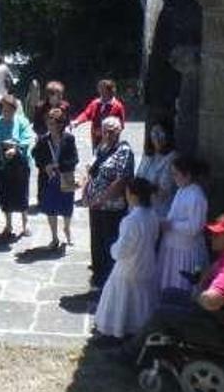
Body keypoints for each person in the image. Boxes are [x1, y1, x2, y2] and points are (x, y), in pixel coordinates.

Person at [122, 212, 224, 359]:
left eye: (218, 235)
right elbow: (217, 266)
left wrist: (198, 294)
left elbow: (211, 301)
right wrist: (206, 276)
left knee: (163, 314)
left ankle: (129, 353)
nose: (211, 237)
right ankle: (150, 345)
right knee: (170, 293)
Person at [93, 179, 160, 340]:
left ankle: (117, 330)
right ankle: (139, 328)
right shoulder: (152, 215)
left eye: (127, 192)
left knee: (121, 300)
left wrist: (112, 249)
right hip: (146, 263)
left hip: (129, 268)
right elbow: (155, 237)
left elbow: (122, 250)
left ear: (134, 196)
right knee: (141, 301)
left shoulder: (131, 220)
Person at [83, 116, 135, 288]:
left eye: (113, 130)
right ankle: (98, 276)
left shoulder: (124, 151)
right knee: (97, 242)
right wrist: (86, 192)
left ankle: (110, 281)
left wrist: (100, 199)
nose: (109, 133)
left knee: (110, 243)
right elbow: (91, 171)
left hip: (112, 207)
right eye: (106, 130)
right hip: (96, 206)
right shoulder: (101, 147)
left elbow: (121, 180)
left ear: (120, 131)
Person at [156, 156, 209, 294]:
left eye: (176, 174)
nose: (173, 178)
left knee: (181, 286)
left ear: (188, 175)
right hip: (173, 248)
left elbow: (195, 227)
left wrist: (171, 225)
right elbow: (175, 215)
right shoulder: (181, 191)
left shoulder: (197, 196)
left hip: (185, 253)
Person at [32, 107, 79, 249]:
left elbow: (74, 159)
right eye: (48, 123)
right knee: (50, 207)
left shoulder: (69, 139)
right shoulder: (43, 140)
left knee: (66, 207)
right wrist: (45, 166)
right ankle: (54, 237)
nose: (50, 126)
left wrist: (60, 165)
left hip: (65, 176)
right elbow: (36, 157)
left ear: (60, 124)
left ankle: (66, 228)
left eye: (53, 123)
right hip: (49, 179)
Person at [0, 94, 34, 239]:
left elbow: (27, 138)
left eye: (10, 109)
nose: (7, 112)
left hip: (20, 160)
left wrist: (15, 148)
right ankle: (8, 224)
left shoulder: (22, 122)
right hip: (2, 162)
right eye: (4, 109)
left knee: (22, 191)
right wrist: (2, 146)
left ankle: (25, 222)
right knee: (4, 192)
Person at [136, 123, 177, 219]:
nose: (157, 139)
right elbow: (138, 176)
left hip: (160, 212)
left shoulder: (172, 157)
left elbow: (165, 189)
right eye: (154, 134)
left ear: (168, 136)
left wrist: (142, 186)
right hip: (142, 209)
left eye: (161, 134)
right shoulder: (148, 155)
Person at [70, 79, 126, 148]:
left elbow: (121, 125)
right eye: (100, 90)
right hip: (95, 138)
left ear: (110, 91)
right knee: (96, 155)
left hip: (110, 140)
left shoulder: (117, 106)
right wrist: (77, 121)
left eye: (103, 90)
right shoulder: (95, 103)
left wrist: (108, 133)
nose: (101, 92)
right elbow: (86, 114)